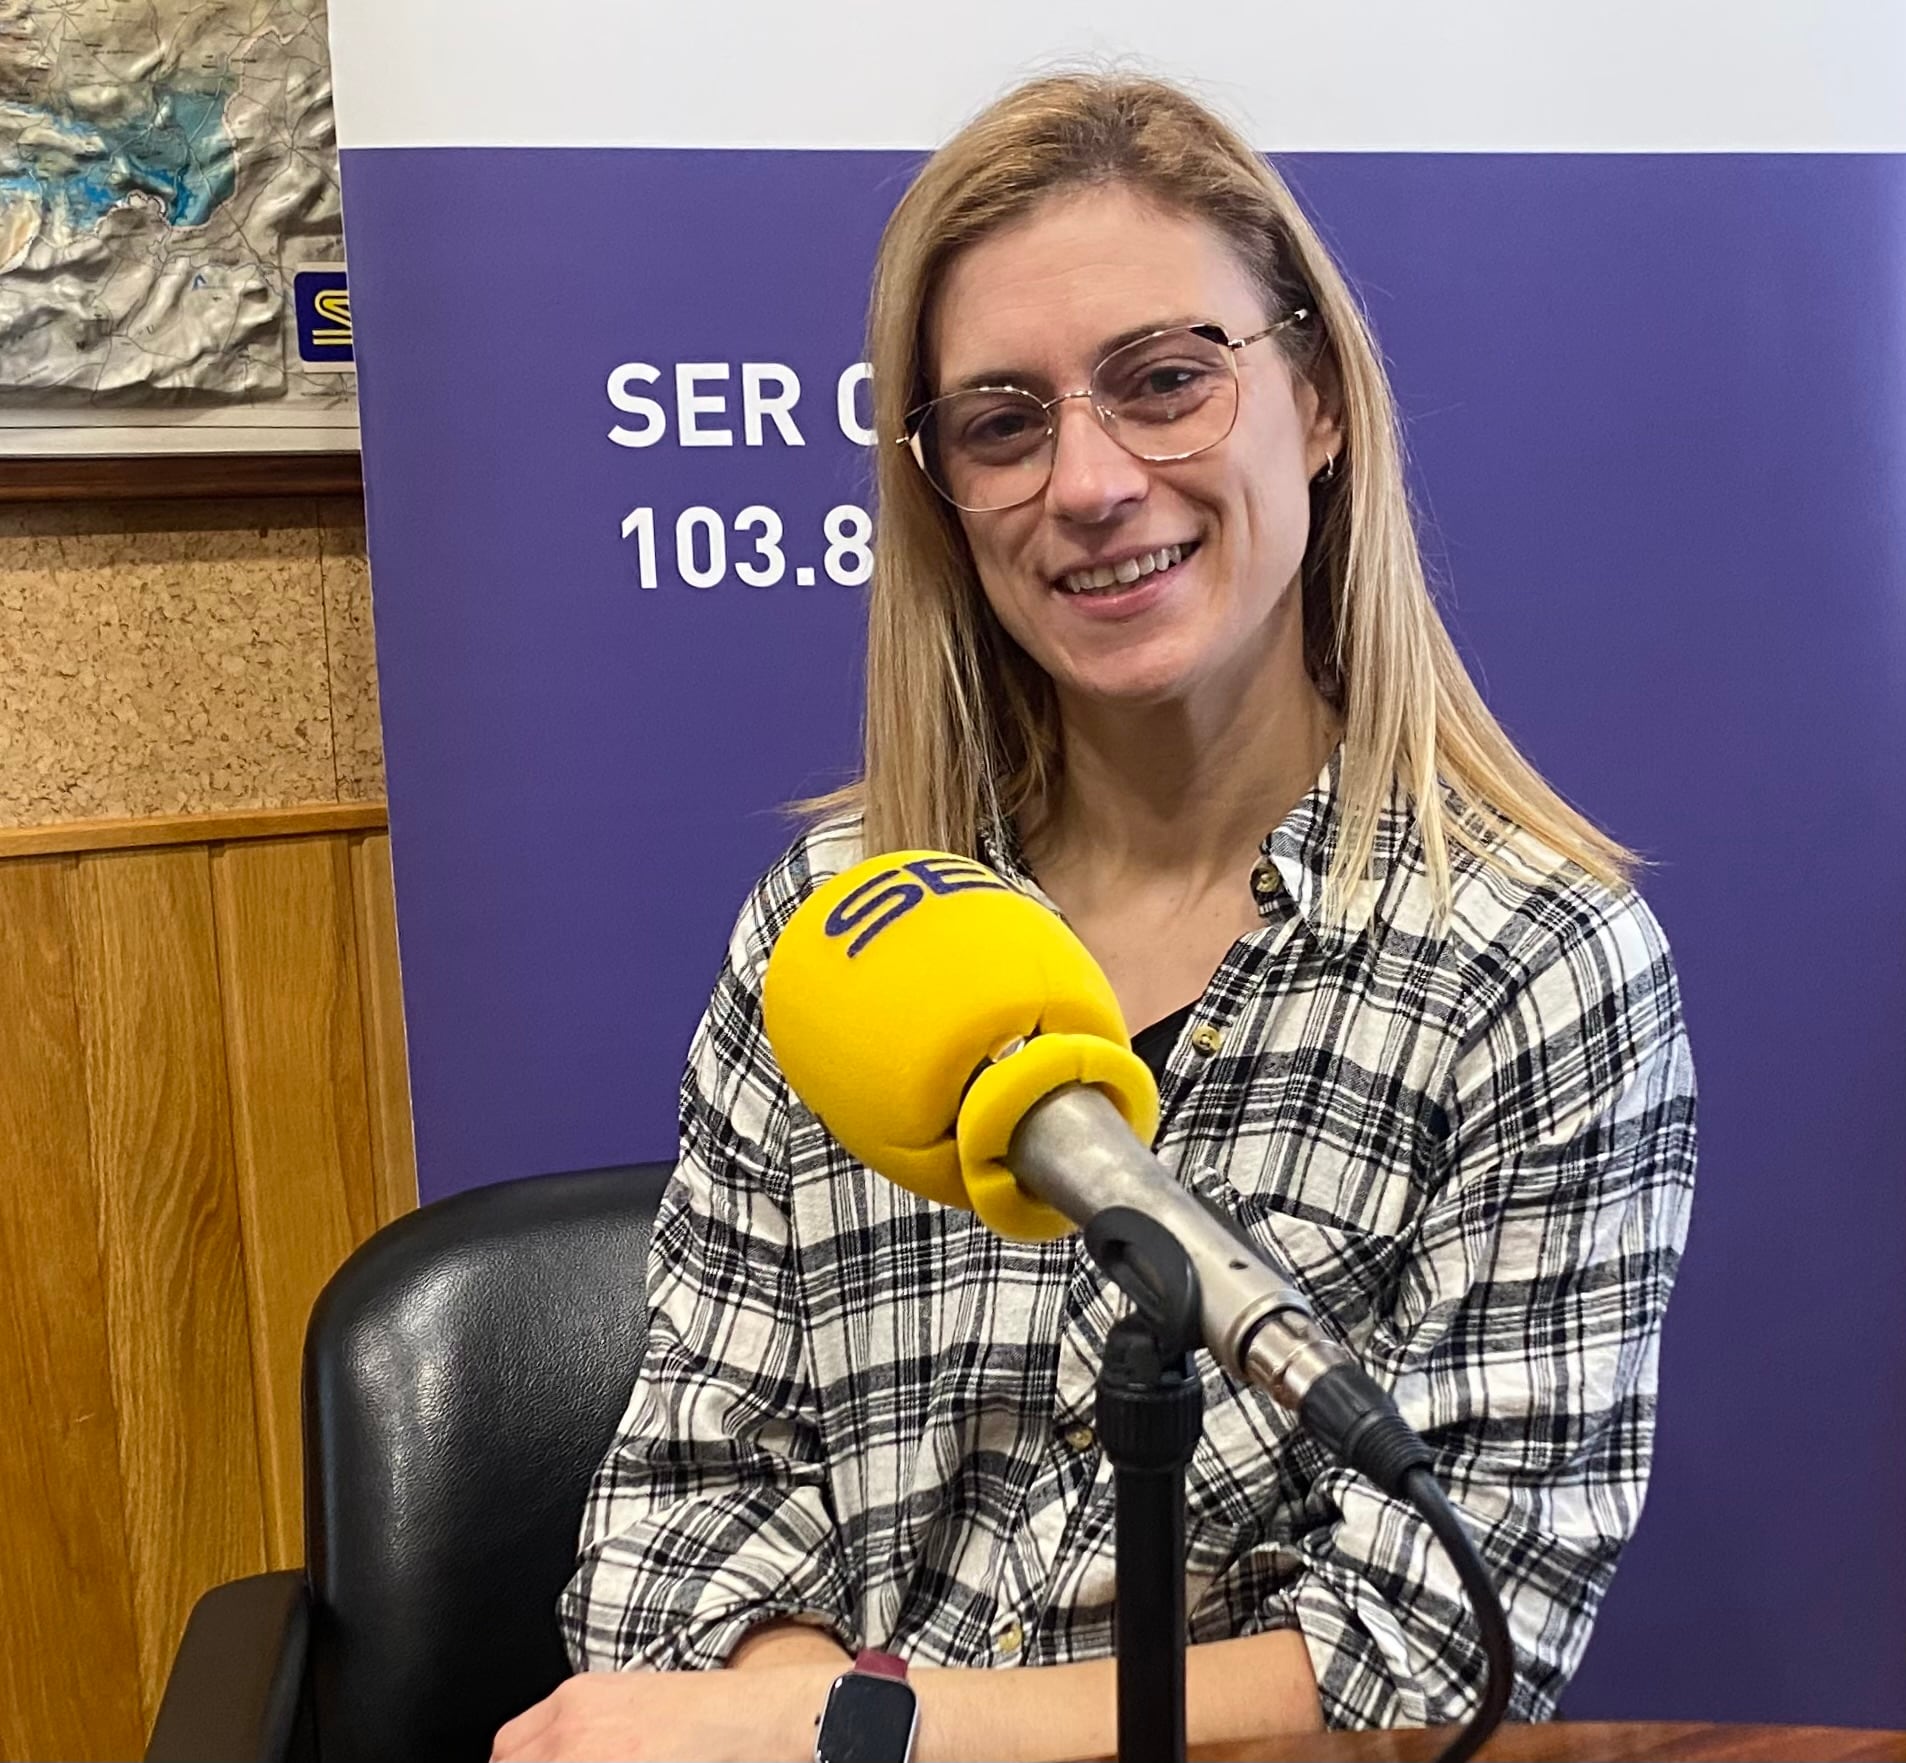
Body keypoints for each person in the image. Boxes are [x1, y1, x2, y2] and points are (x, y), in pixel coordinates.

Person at [493, 71, 1696, 1763]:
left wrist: (875, 1737)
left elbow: (1443, 1638)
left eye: (1164, 383)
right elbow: (693, 1502)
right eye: (1003, 422)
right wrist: (808, 1724)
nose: (1093, 481)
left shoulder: (1537, 971)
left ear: (1321, 400)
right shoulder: (832, 924)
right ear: (942, 493)